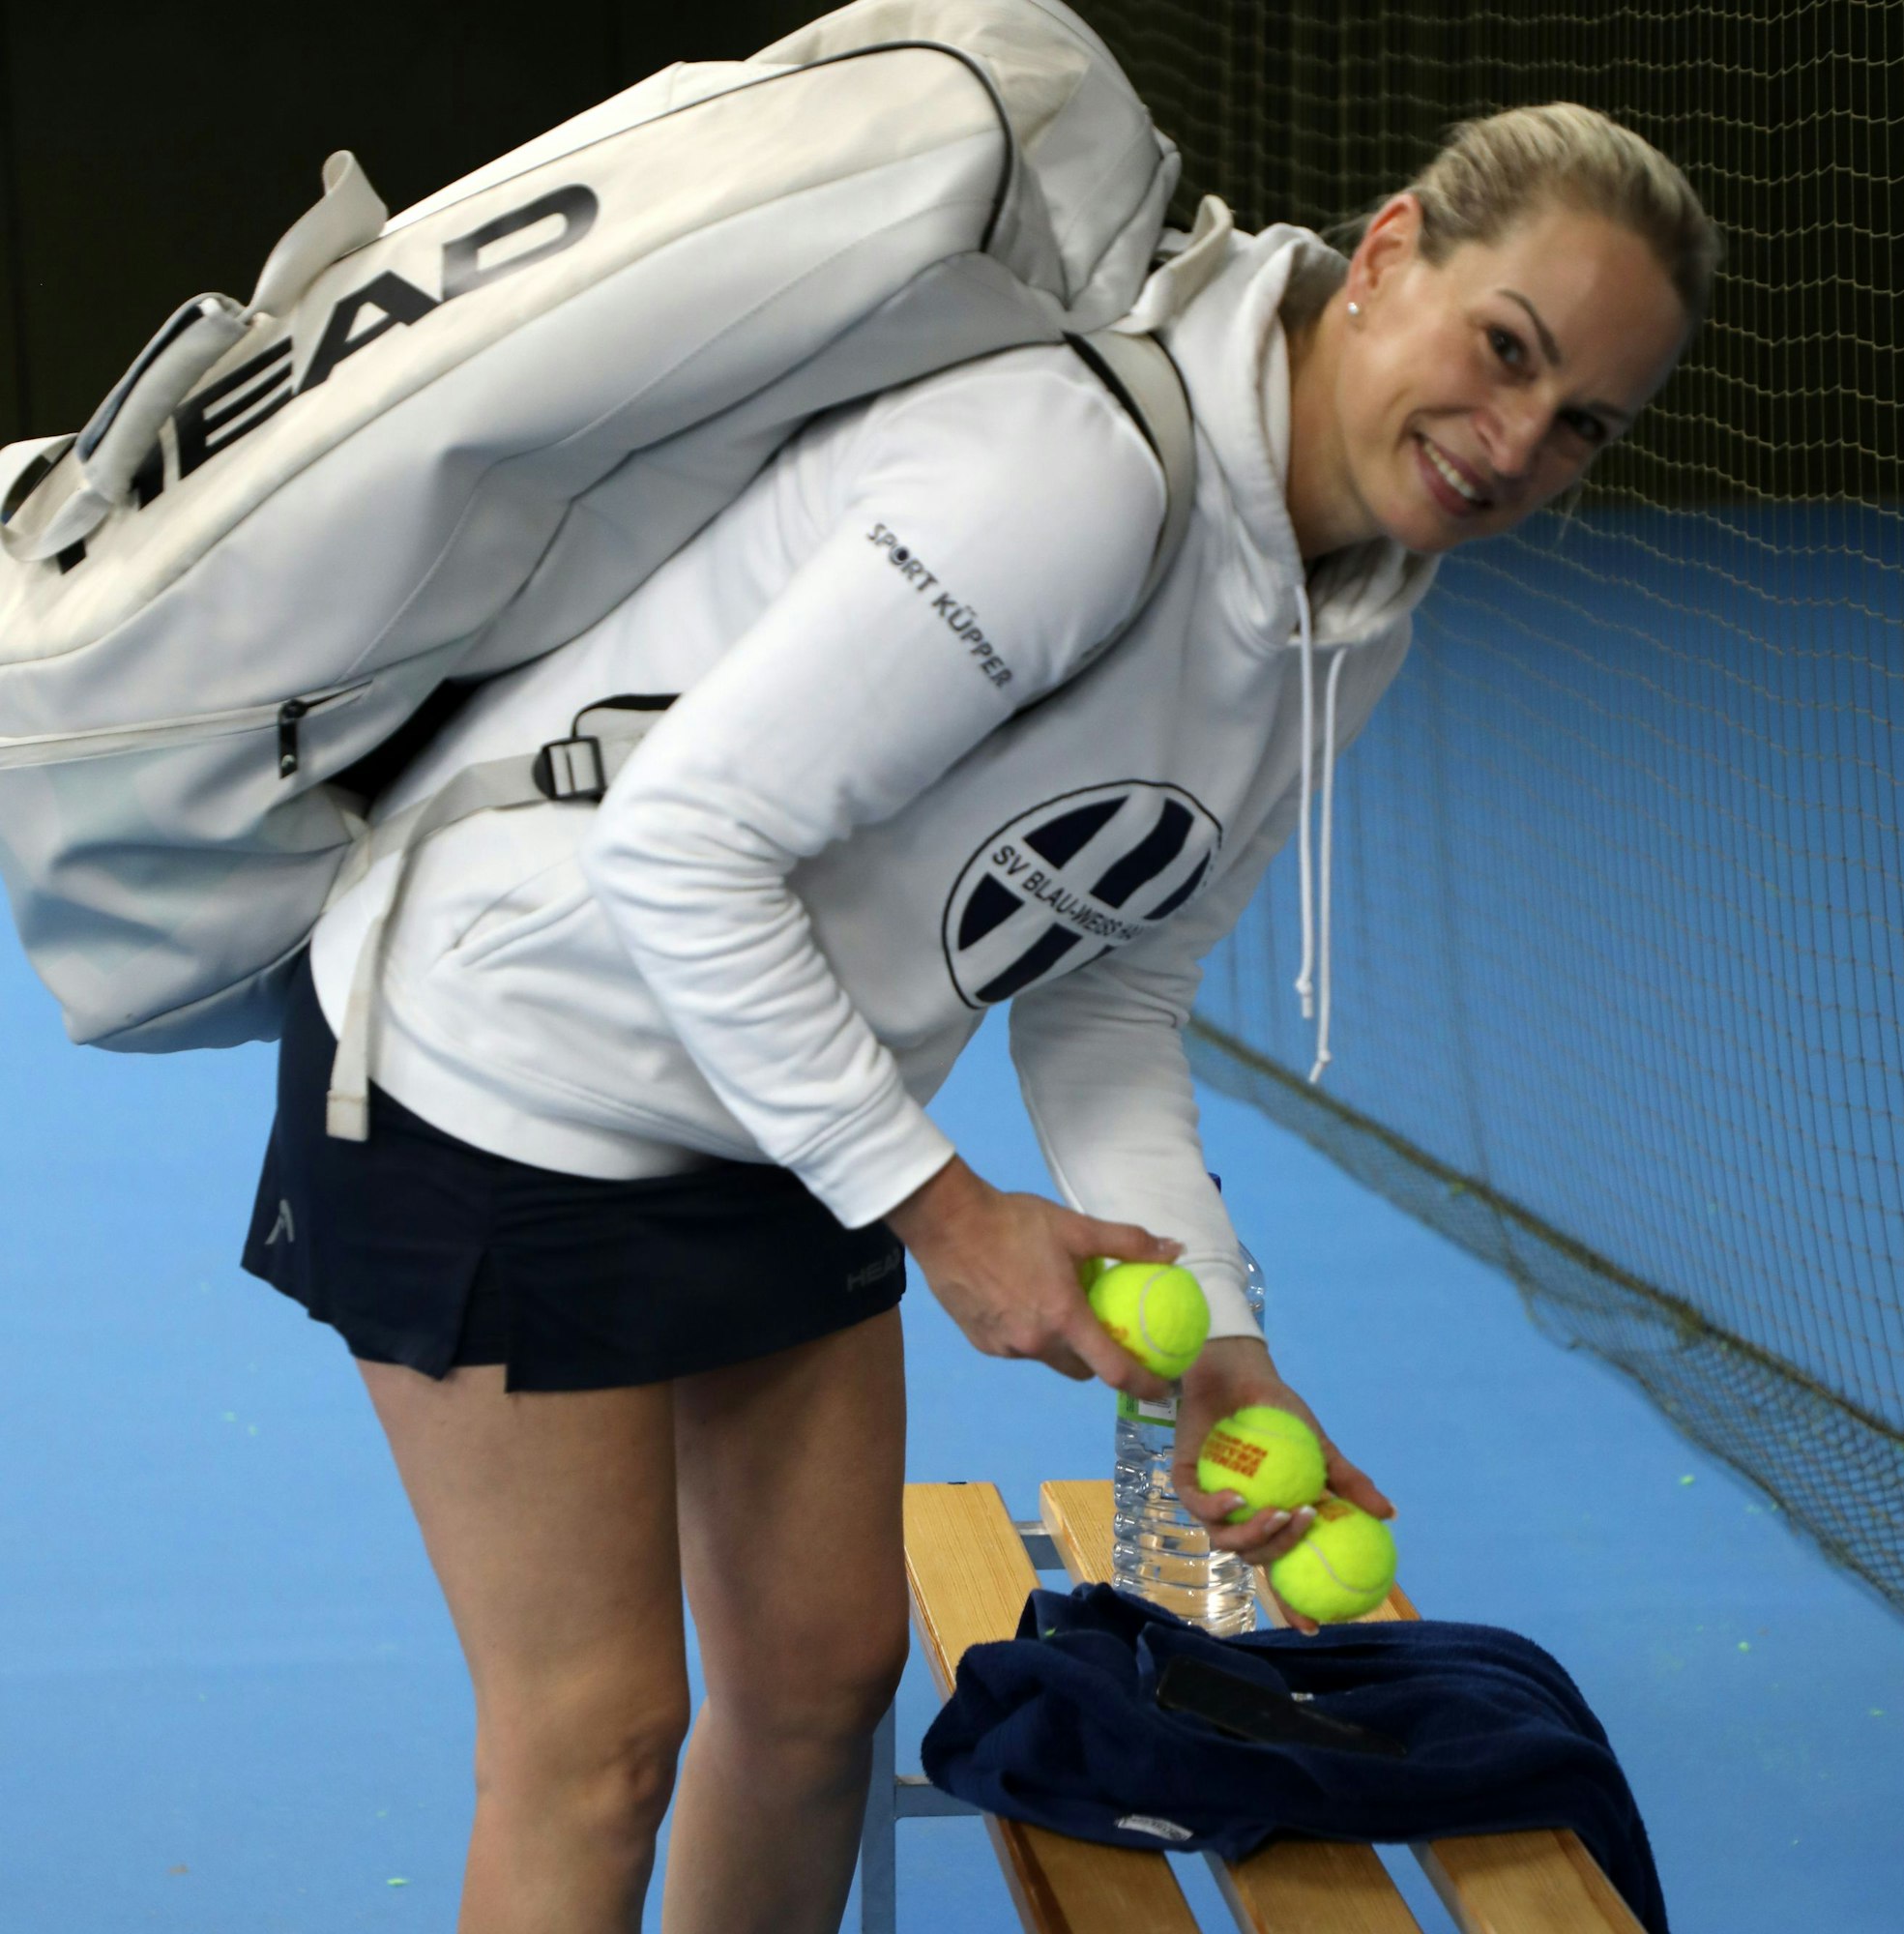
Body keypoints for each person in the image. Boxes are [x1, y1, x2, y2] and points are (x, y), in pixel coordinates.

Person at [241, 100, 1716, 1934]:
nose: (1515, 442)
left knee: (817, 1692)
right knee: (600, 1736)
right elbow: (681, 850)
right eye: (1508, 348)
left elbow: (1113, 997)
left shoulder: (1354, 616)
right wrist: (941, 1212)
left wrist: (1219, 1357)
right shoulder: (1070, 477)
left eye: (1585, 422)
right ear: (1396, 247)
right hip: (507, 1067)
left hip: (780, 1098)